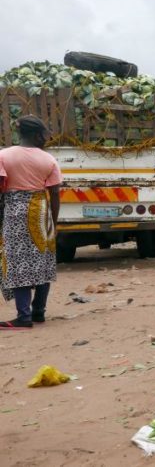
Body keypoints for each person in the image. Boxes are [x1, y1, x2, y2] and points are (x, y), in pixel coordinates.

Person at [0, 115, 62, 329]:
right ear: (36, 135)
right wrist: (54, 223)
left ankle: (23, 316)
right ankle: (39, 312)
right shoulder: (49, 159)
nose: (46, 138)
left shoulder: (4, 155)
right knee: (43, 259)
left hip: (14, 211)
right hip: (41, 210)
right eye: (44, 134)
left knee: (18, 263)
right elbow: (54, 194)